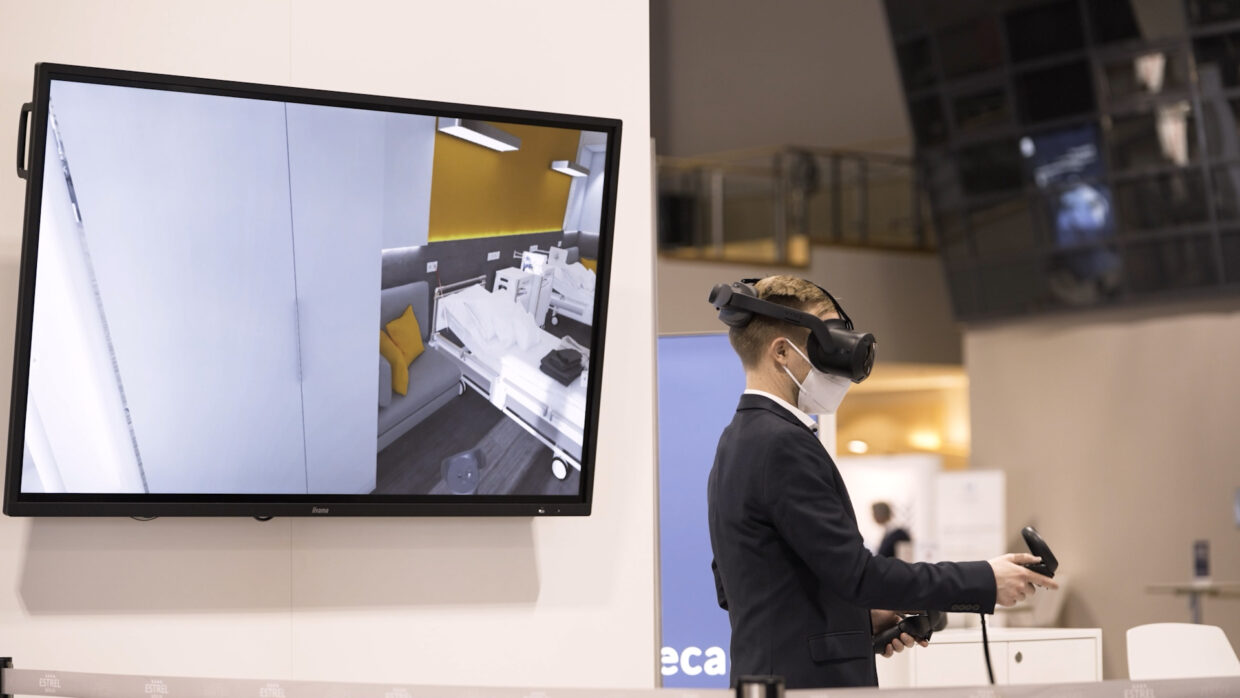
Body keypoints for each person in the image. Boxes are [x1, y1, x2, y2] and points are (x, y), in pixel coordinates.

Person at [706, 275, 1057, 689]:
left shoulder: (737, 440)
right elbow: (858, 575)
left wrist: (857, 622)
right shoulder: (782, 444)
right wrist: (985, 580)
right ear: (782, 352)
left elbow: (741, 589)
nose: (840, 355)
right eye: (826, 339)